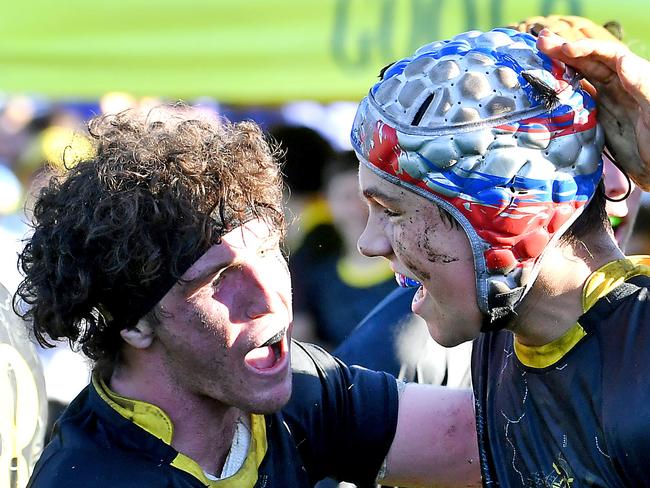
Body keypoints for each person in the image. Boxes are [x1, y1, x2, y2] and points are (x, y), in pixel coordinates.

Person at [15, 105, 480, 488]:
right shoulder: (95, 479)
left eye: (269, 249)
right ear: (134, 323)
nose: (269, 295)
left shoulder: (297, 384)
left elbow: (504, 442)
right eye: (219, 277)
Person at [351, 26, 650, 486]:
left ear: (505, 211)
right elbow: (334, 410)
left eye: (390, 209)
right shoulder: (504, 338)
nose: (368, 243)